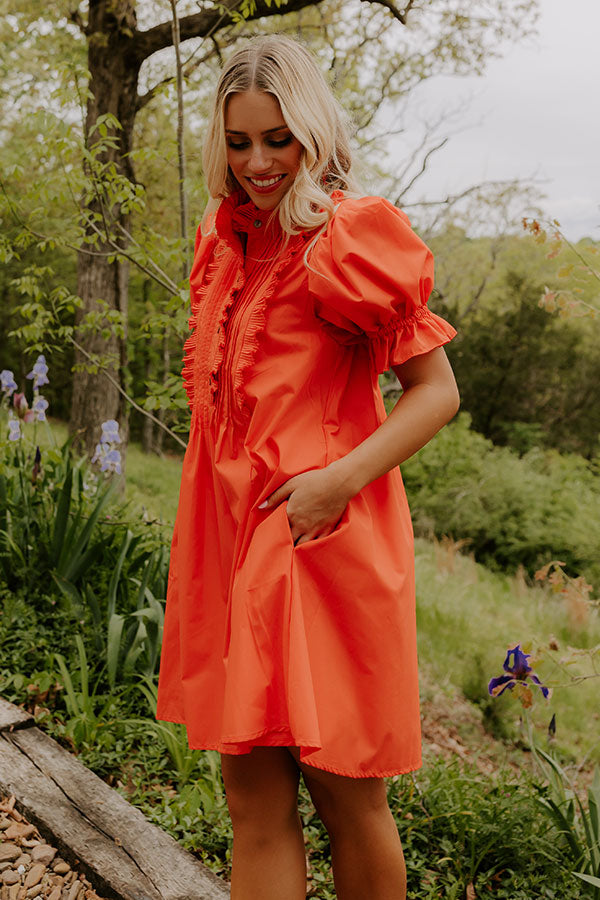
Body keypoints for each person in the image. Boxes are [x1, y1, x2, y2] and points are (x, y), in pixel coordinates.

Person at [156, 34, 459, 900]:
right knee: (251, 801)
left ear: (312, 133)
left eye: (277, 139)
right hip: (231, 540)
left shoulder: (348, 237)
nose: (258, 162)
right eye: (240, 142)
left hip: (324, 537)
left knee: (346, 795)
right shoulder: (222, 244)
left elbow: (437, 393)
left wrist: (336, 482)